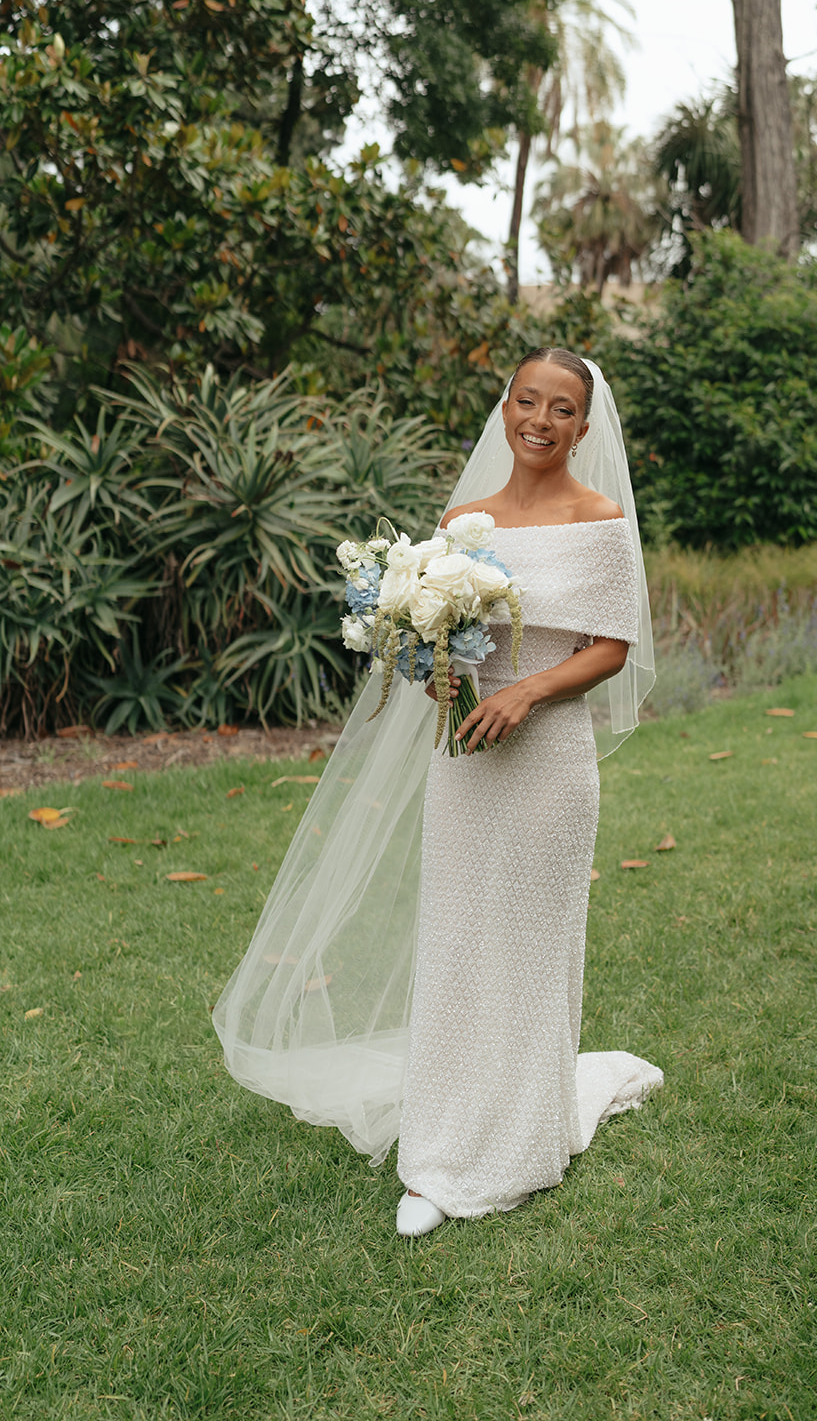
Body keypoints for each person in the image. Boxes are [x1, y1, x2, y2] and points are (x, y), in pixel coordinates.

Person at [213, 349, 660, 1237]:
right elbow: (441, 638)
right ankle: (441, 1144)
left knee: (530, 937)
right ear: (504, 407)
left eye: (560, 407)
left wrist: (526, 692)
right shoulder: (464, 521)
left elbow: (611, 647)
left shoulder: (599, 519)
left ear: (582, 425)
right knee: (457, 937)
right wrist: (434, 675)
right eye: (524, 399)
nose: (539, 418)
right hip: (463, 760)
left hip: (547, 760)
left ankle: (520, 1140)